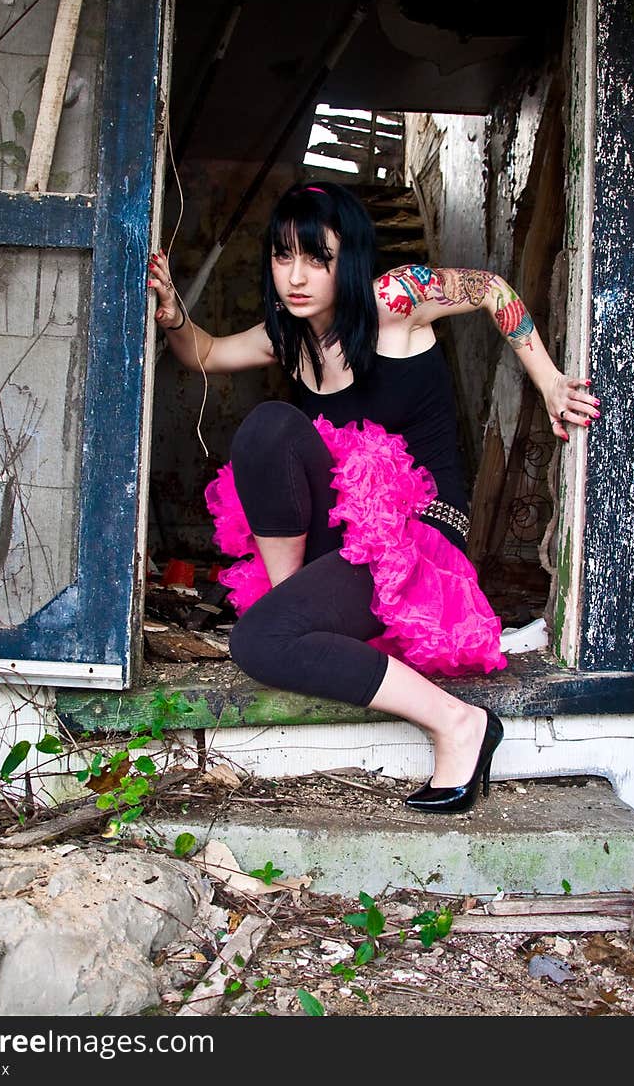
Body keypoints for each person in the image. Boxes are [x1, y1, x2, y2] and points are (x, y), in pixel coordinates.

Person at [148, 180, 598, 813]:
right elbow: (207, 353)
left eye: (316, 258)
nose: (296, 277)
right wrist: (173, 315)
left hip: (419, 532)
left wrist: (550, 381)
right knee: (268, 427)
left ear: (348, 259)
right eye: (283, 257)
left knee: (258, 643)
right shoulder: (291, 333)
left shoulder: (397, 298)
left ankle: (458, 724)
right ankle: (294, 606)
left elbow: (492, 290)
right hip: (345, 532)